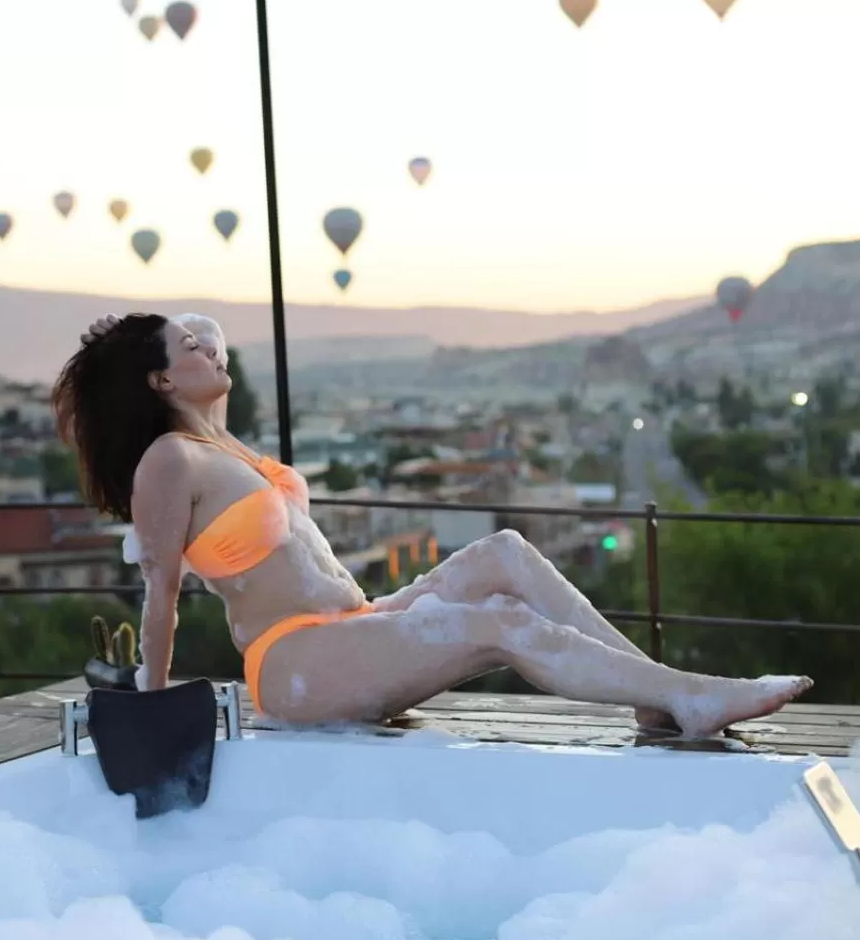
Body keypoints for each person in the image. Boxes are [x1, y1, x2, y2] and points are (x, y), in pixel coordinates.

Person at [55, 313, 812, 735]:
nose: (208, 348)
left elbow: (209, 381)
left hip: (351, 628)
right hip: (293, 663)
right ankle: (691, 696)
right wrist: (151, 704)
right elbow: (160, 594)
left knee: (505, 552)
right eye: (188, 348)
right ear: (160, 379)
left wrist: (202, 361)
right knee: (499, 620)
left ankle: (658, 693)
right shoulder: (167, 461)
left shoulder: (221, 446)